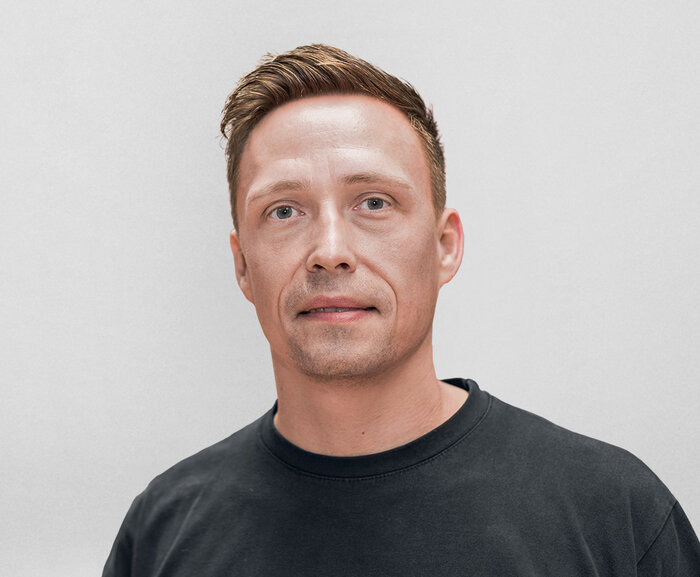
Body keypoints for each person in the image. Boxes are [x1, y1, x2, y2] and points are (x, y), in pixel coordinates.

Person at [103, 44, 700, 576]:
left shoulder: (614, 515)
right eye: (284, 211)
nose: (329, 251)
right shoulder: (162, 532)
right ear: (242, 266)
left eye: (374, 202)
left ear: (445, 246)